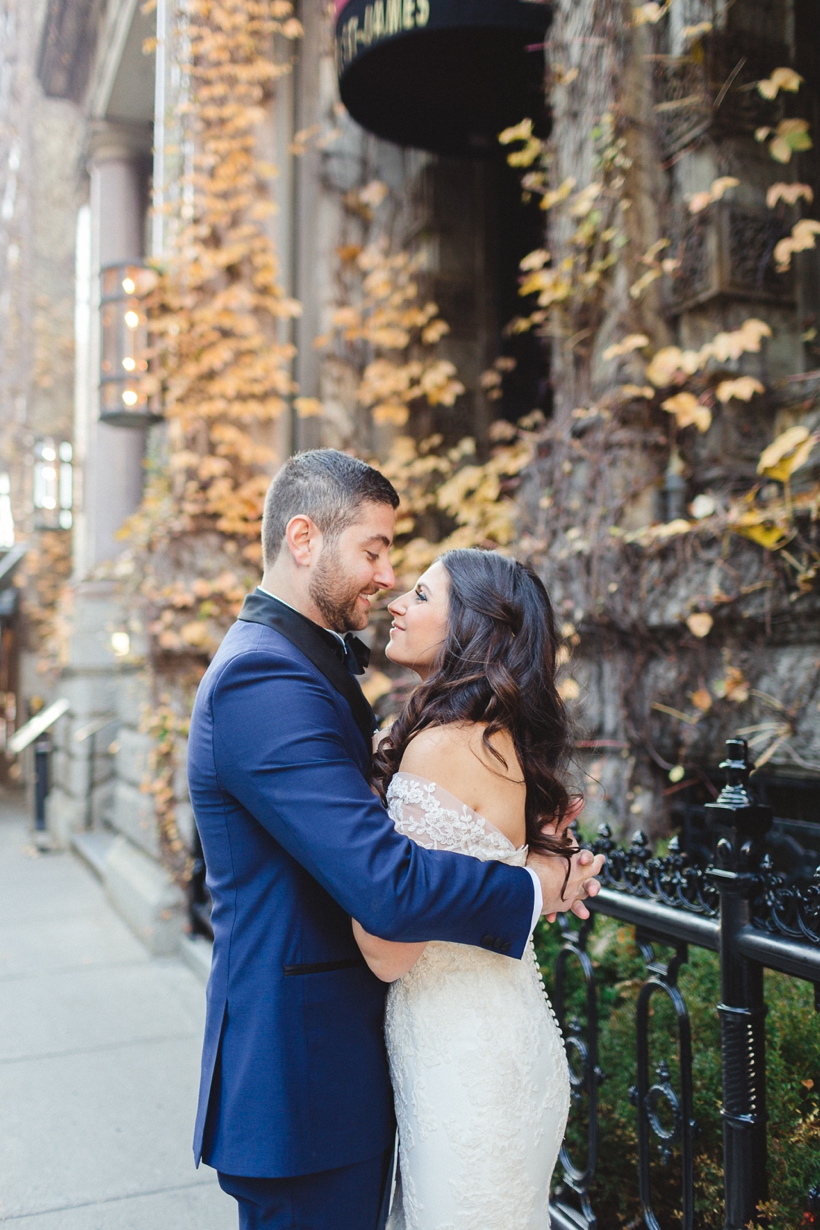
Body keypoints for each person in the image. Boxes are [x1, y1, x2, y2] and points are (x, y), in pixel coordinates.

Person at [187, 449, 604, 1230]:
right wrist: (531, 884)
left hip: (366, 1067)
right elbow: (385, 887)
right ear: (304, 538)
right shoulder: (263, 680)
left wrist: (520, 843)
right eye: (373, 551)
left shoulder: (312, 671)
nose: (386, 577)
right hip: (302, 1084)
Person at [355, 549, 579, 1229]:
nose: (395, 600)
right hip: (505, 1045)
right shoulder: (499, 738)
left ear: (472, 630)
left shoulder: (442, 747)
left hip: (466, 1070)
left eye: (421, 596)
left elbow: (389, 952)